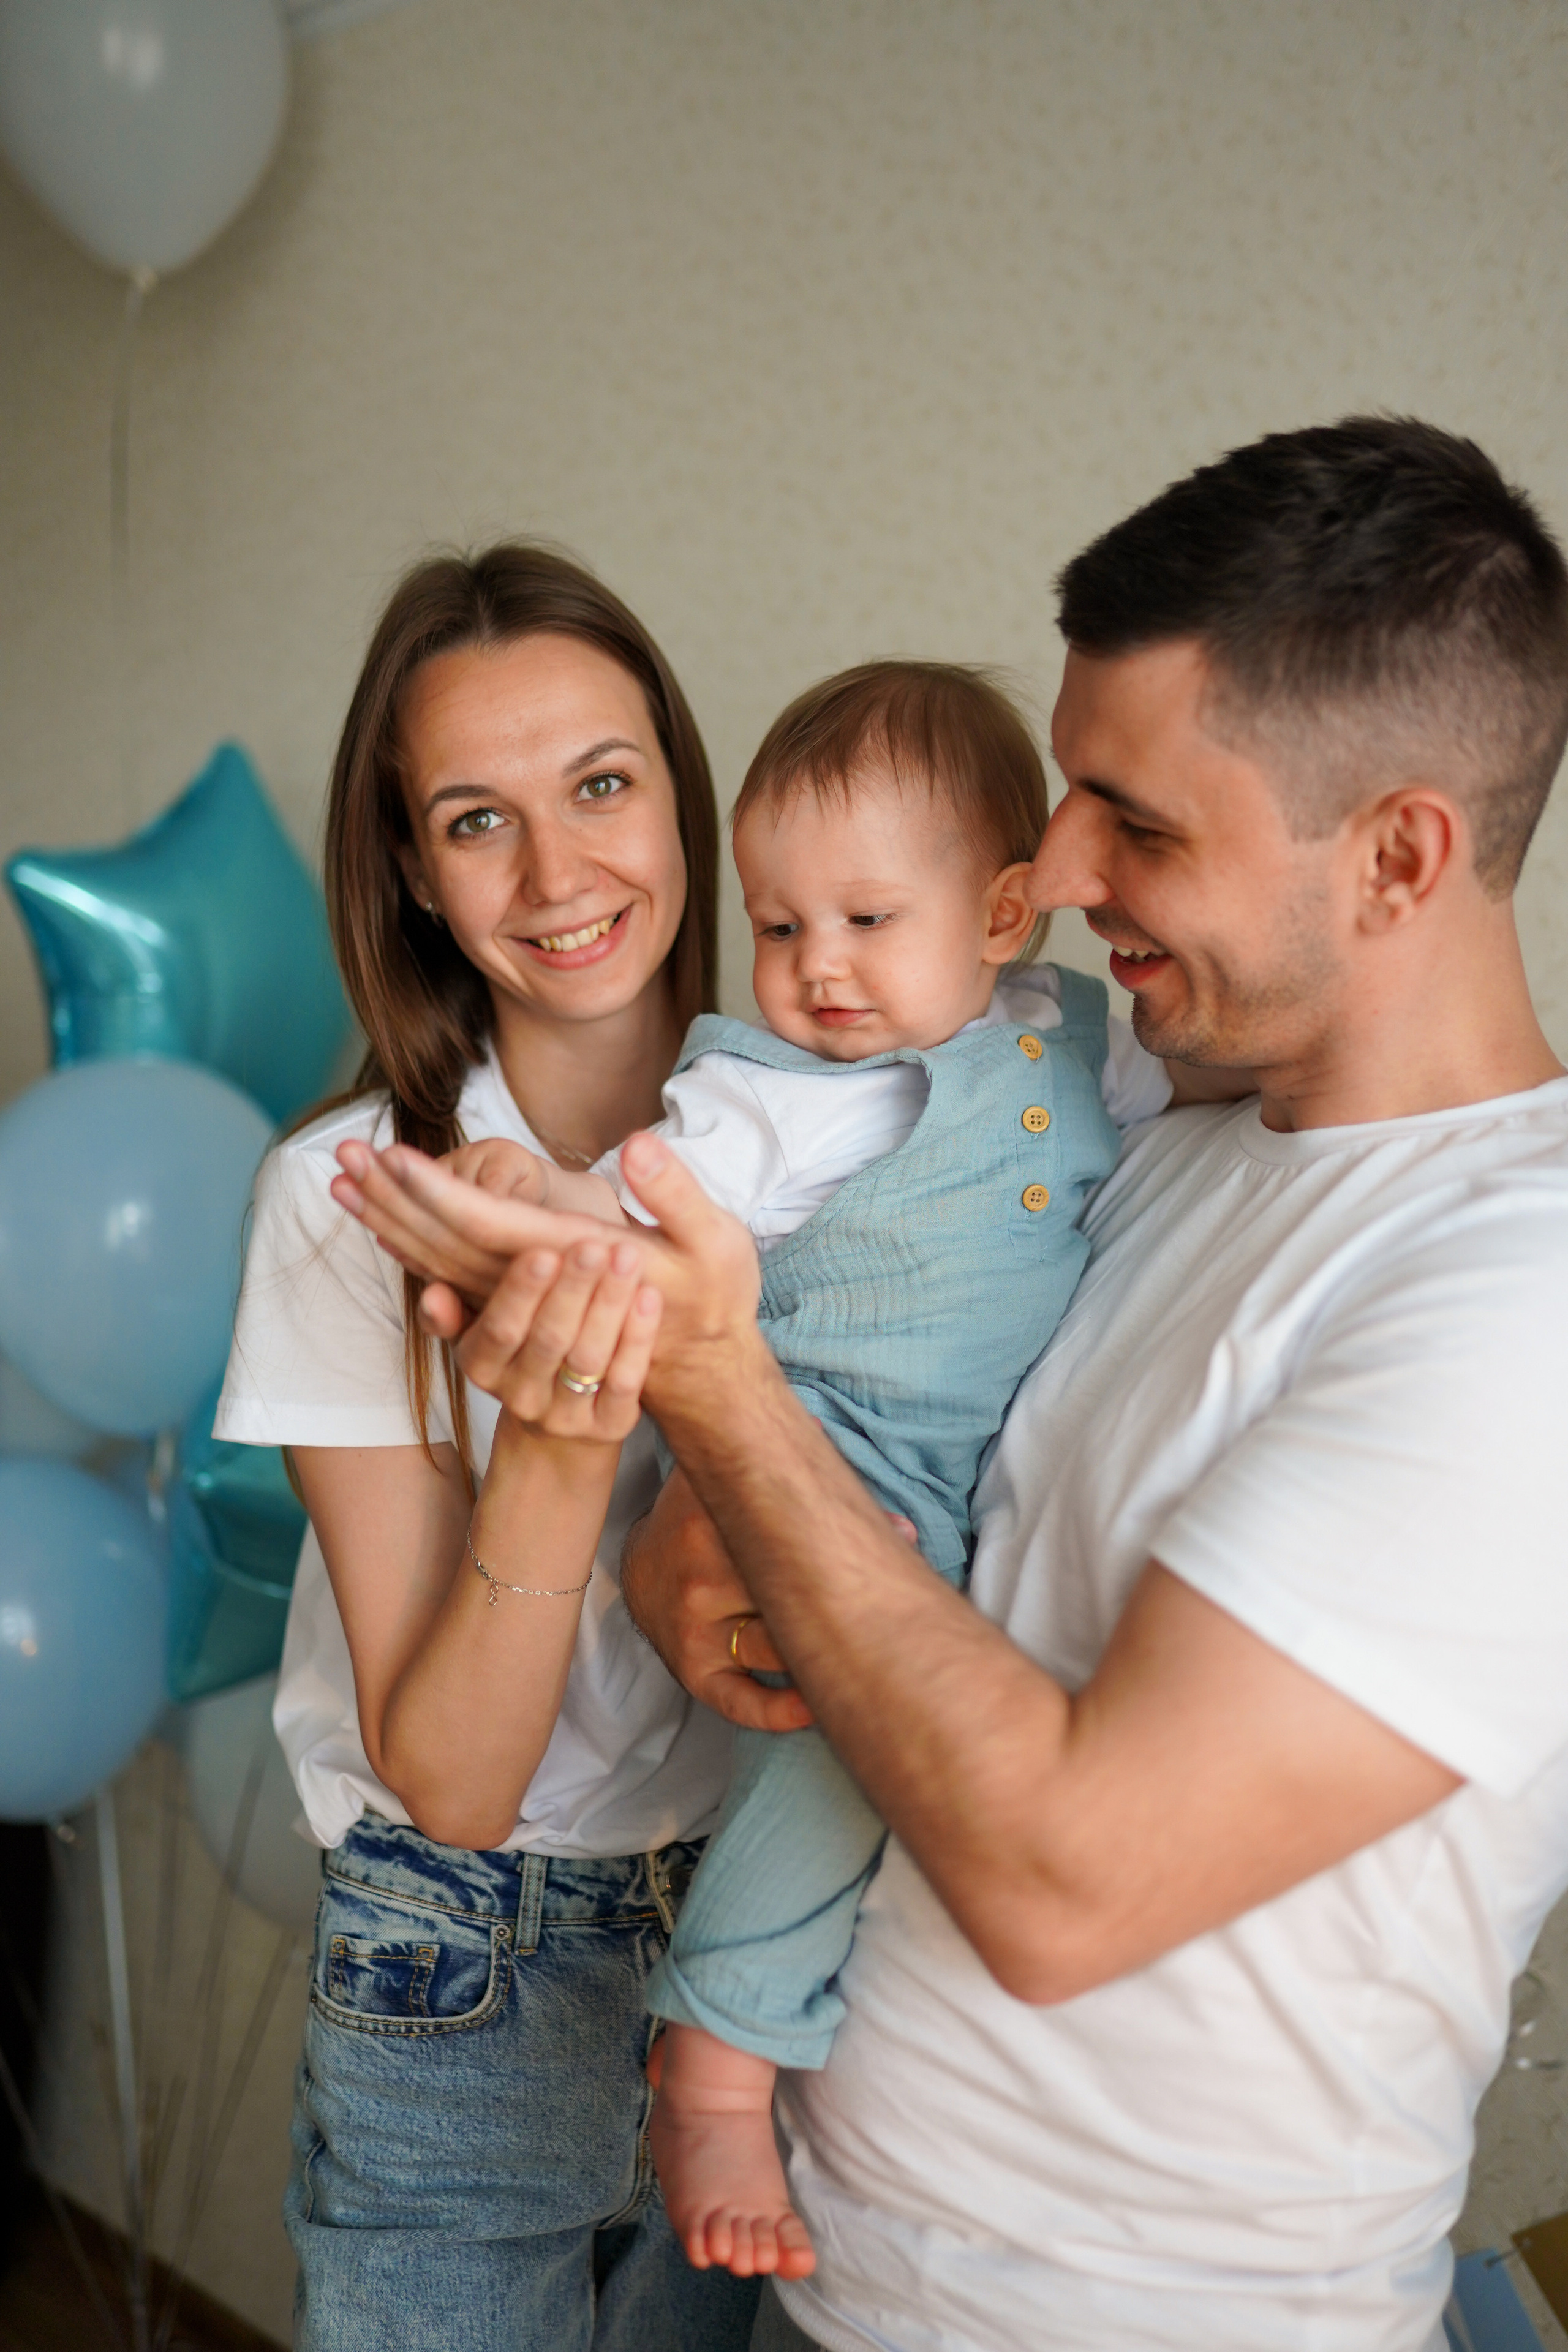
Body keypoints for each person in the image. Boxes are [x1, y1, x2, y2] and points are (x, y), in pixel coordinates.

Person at [336, 417, 1568, 2352]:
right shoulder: (1160, 1137)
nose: (1055, 869)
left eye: (1135, 820)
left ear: (1401, 854)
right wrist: (685, 1556)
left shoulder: (1516, 1295)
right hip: (831, 2274)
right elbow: (833, 1541)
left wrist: (718, 1393)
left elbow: (1066, 1883)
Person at [424, 660, 1202, 2277]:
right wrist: (518, 1197)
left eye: (863, 920)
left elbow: (1199, 1110)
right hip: (823, 1461)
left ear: (1004, 917)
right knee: (843, 1752)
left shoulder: (1084, 1044)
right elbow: (632, 1207)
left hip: (957, 1493)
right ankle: (719, 2064)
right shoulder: (774, 1098)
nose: (815, 970)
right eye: (778, 927)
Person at [213, 542, 760, 2350]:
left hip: (762, 1961)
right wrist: (556, 1435)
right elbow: (453, 1779)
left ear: (679, 790)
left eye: (601, 785)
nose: (557, 875)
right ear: (410, 870)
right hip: (465, 1959)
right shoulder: (344, 1201)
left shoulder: (840, 1139)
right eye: (476, 821)